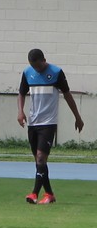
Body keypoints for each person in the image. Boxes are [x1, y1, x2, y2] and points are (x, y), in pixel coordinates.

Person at [17, 48, 84, 204]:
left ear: (44, 60)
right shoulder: (28, 73)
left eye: (38, 66)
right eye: (33, 66)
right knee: (39, 162)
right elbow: (21, 93)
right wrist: (20, 112)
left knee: (41, 158)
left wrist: (77, 117)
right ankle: (49, 194)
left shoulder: (56, 72)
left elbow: (67, 95)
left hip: (48, 123)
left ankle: (34, 194)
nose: (36, 69)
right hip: (33, 123)